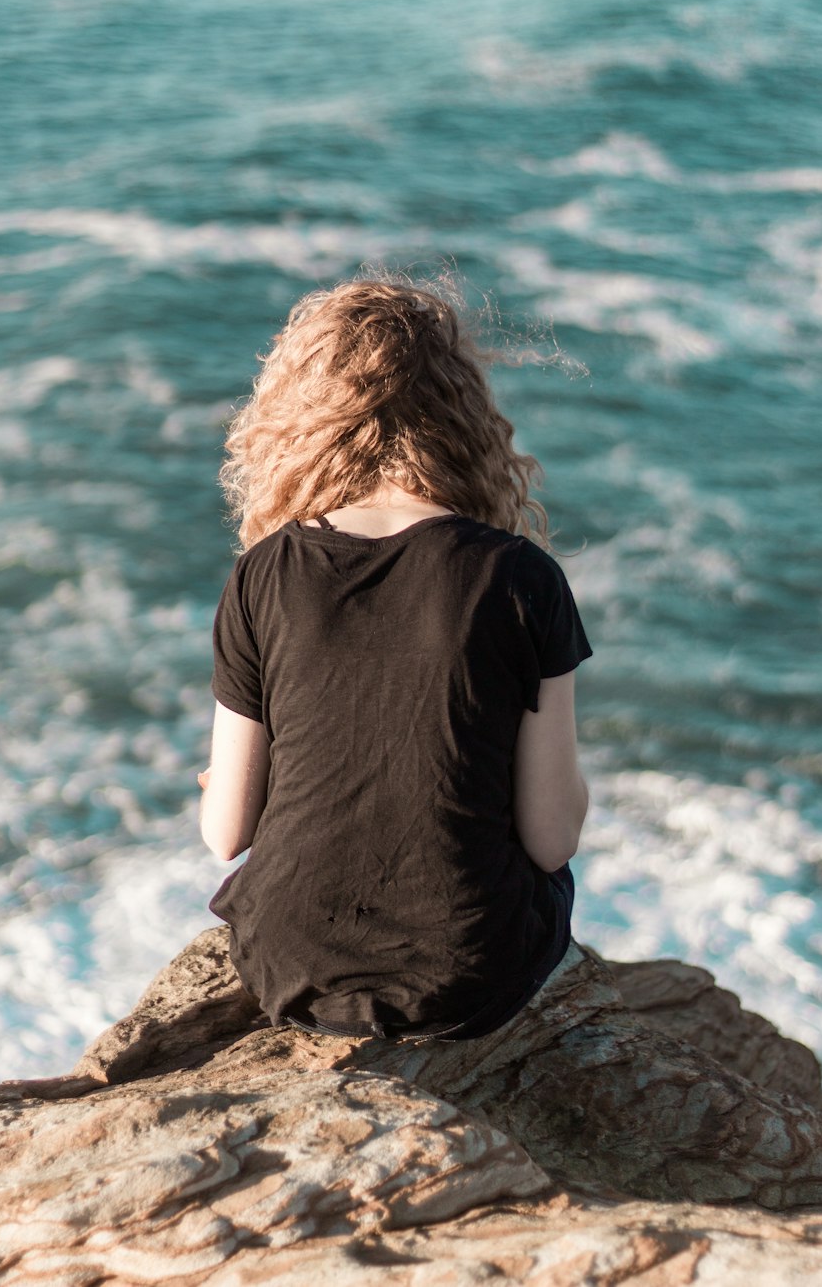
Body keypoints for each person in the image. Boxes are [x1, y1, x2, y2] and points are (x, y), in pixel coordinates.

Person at [198, 273, 592, 1042]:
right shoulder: (520, 578)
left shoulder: (264, 571)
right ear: (464, 419)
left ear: (299, 419)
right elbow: (552, 838)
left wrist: (221, 781)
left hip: (289, 965)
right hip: (470, 977)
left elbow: (226, 833)